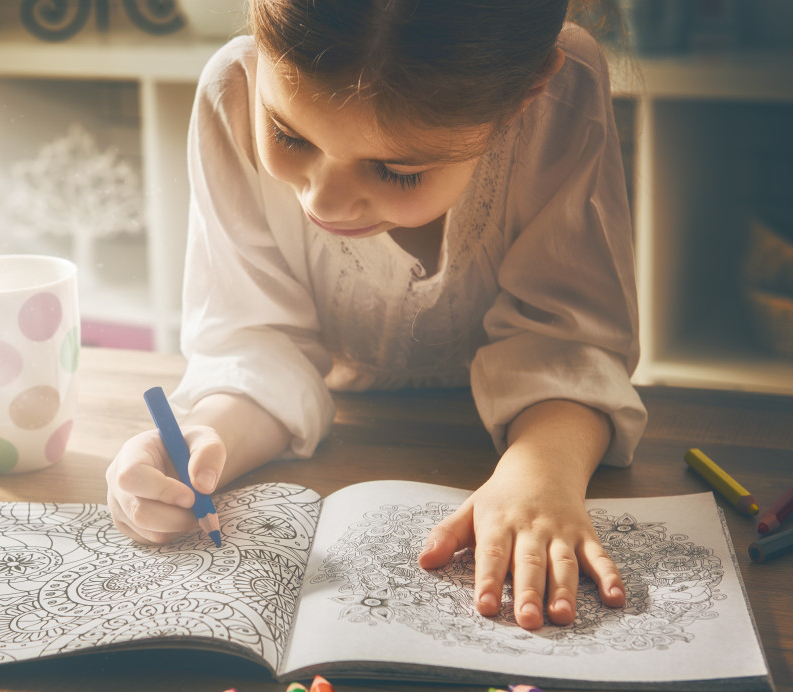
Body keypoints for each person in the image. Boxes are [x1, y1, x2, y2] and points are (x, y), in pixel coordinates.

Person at [105, 0, 647, 631]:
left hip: (528, 433)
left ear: (528, 92)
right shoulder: (234, 90)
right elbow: (256, 344)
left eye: (398, 169)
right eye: (288, 135)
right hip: (350, 438)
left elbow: (569, 338)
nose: (322, 199)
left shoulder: (564, 88)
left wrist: (543, 470)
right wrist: (207, 438)